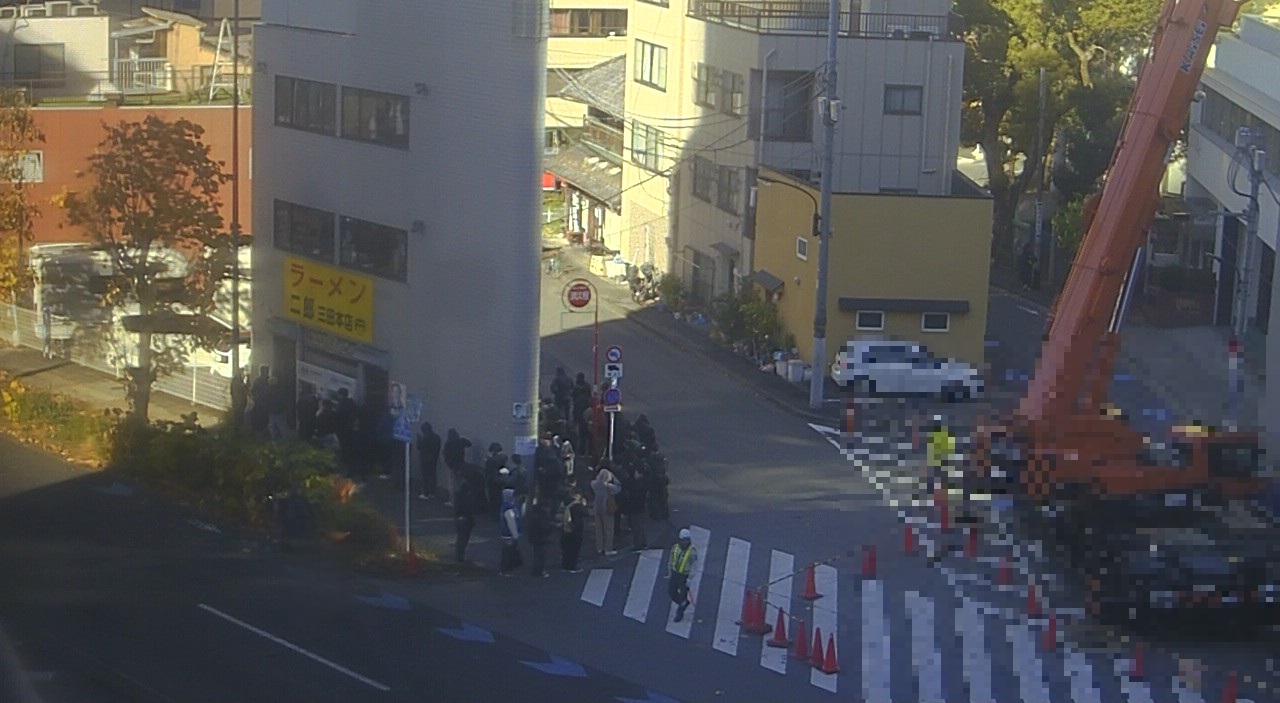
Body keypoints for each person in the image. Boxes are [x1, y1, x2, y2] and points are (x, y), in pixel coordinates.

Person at [590, 464, 621, 556]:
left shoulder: (594, 484)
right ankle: (608, 548)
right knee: (608, 529)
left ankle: (599, 548)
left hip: (596, 508)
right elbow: (619, 486)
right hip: (606, 508)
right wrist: (613, 477)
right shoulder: (609, 487)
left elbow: (594, 480)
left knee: (598, 530)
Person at [667, 528, 697, 622]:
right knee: (671, 592)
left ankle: (680, 613)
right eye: (684, 539)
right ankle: (683, 603)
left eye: (687, 539)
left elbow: (694, 565)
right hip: (675, 573)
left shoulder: (692, 551)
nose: (686, 541)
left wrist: (690, 579)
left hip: (684, 575)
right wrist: (669, 571)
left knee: (683, 594)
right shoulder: (675, 548)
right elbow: (671, 559)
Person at [560, 490, 588, 573]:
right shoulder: (577, 506)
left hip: (566, 527)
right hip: (576, 529)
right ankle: (572, 566)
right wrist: (584, 505)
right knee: (574, 549)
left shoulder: (565, 503)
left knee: (566, 549)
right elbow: (586, 513)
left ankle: (565, 566)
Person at [442, 429, 472, 507]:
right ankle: (461, 500)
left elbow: (445, 455)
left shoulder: (448, 444)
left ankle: (452, 501)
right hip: (460, 464)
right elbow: (469, 444)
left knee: (451, 484)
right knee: (460, 483)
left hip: (451, 466)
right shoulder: (460, 442)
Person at [453, 472, 477, 563]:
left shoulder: (458, 494)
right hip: (465, 518)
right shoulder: (467, 496)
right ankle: (460, 558)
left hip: (461, 518)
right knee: (463, 539)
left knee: (461, 539)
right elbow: (467, 507)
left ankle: (459, 557)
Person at [498, 488, 523, 576]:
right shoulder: (510, 509)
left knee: (507, 552)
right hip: (509, 535)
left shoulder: (505, 507)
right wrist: (515, 535)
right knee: (508, 553)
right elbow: (511, 523)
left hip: (506, 534)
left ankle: (505, 569)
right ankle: (506, 570)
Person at [526, 497, 553, 578]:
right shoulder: (542, 515)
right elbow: (544, 527)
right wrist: (553, 527)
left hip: (534, 536)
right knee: (541, 556)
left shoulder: (534, 512)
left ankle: (537, 570)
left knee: (537, 554)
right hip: (541, 537)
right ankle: (539, 571)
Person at [417, 422, 442, 500]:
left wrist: (418, 439)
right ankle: (432, 492)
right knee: (432, 475)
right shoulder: (437, 437)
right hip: (434, 458)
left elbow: (419, 447)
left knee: (425, 476)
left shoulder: (424, 438)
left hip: (425, 459)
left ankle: (425, 493)